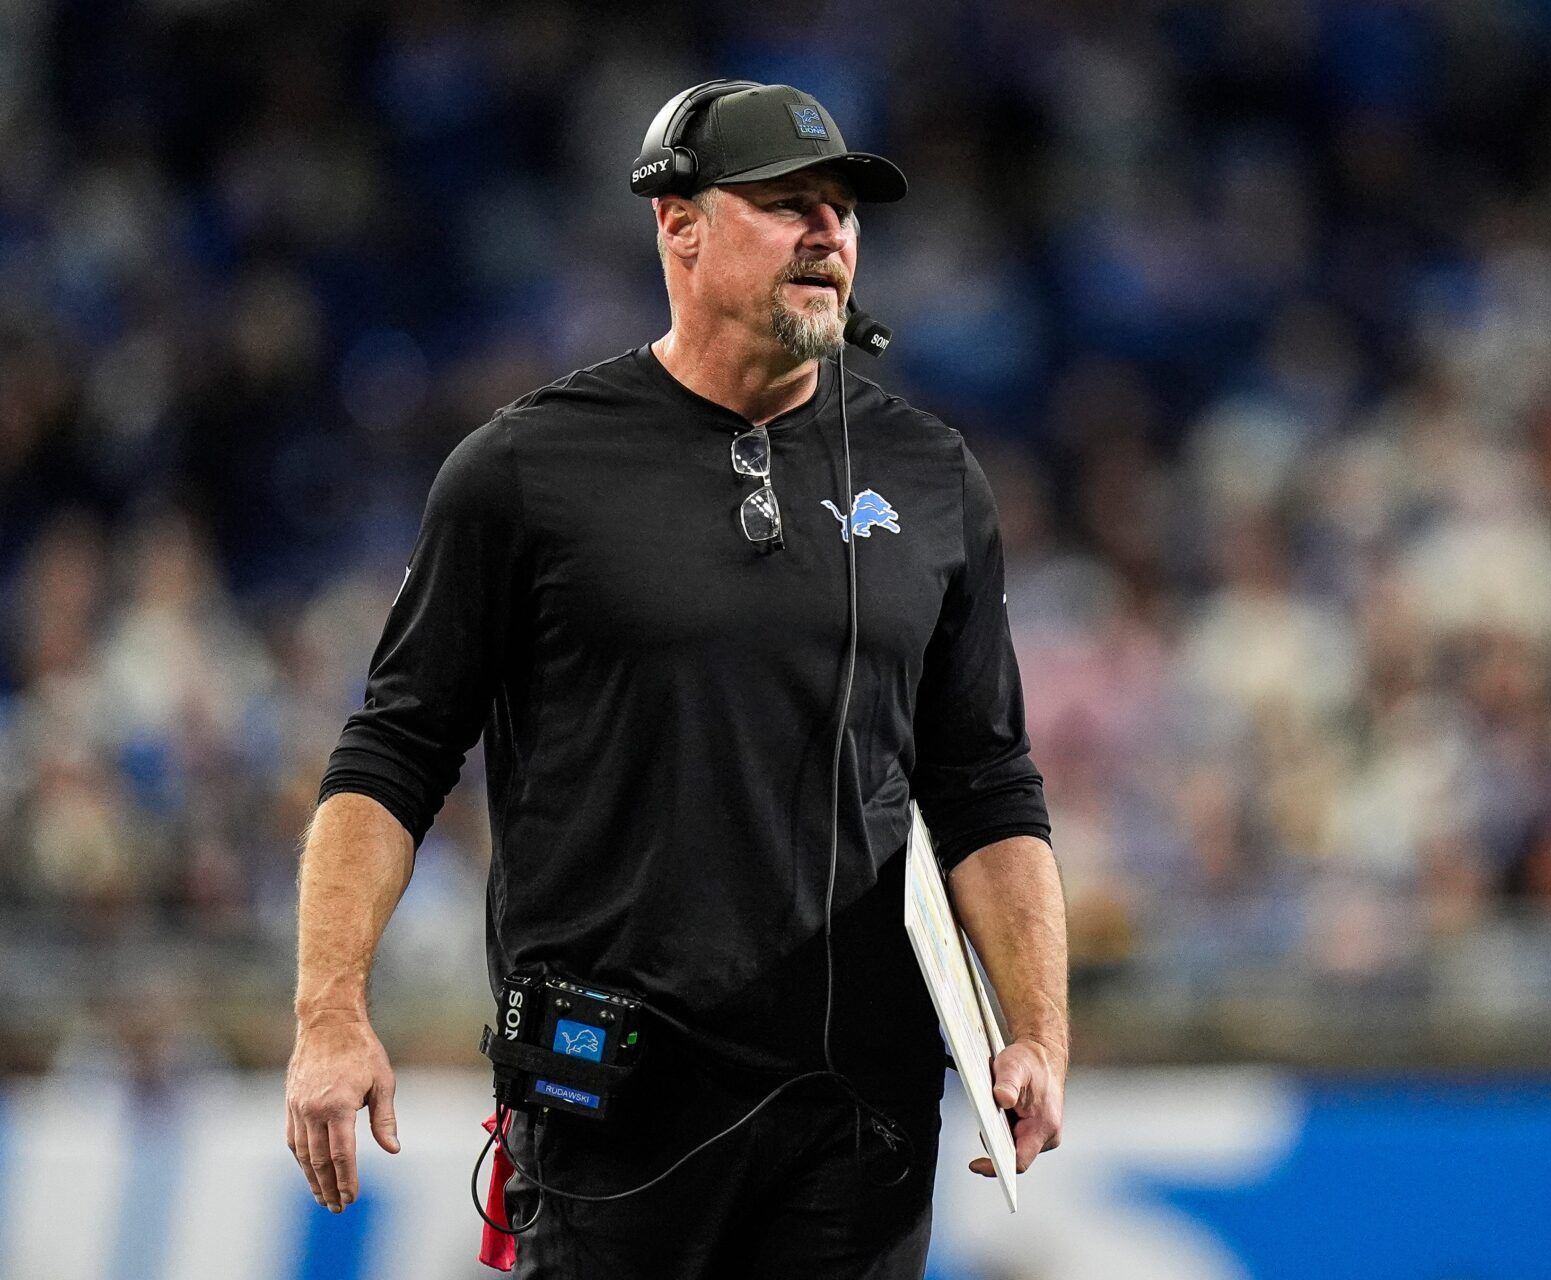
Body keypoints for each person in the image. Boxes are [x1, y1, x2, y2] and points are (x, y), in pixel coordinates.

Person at [282, 80, 1069, 1278]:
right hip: (610, 1112)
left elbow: (987, 787)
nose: (829, 232)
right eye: (788, 203)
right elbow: (391, 756)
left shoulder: (930, 475)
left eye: (844, 209)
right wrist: (330, 1011)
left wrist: (1038, 1030)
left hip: (855, 1122)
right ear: (679, 224)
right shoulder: (526, 470)